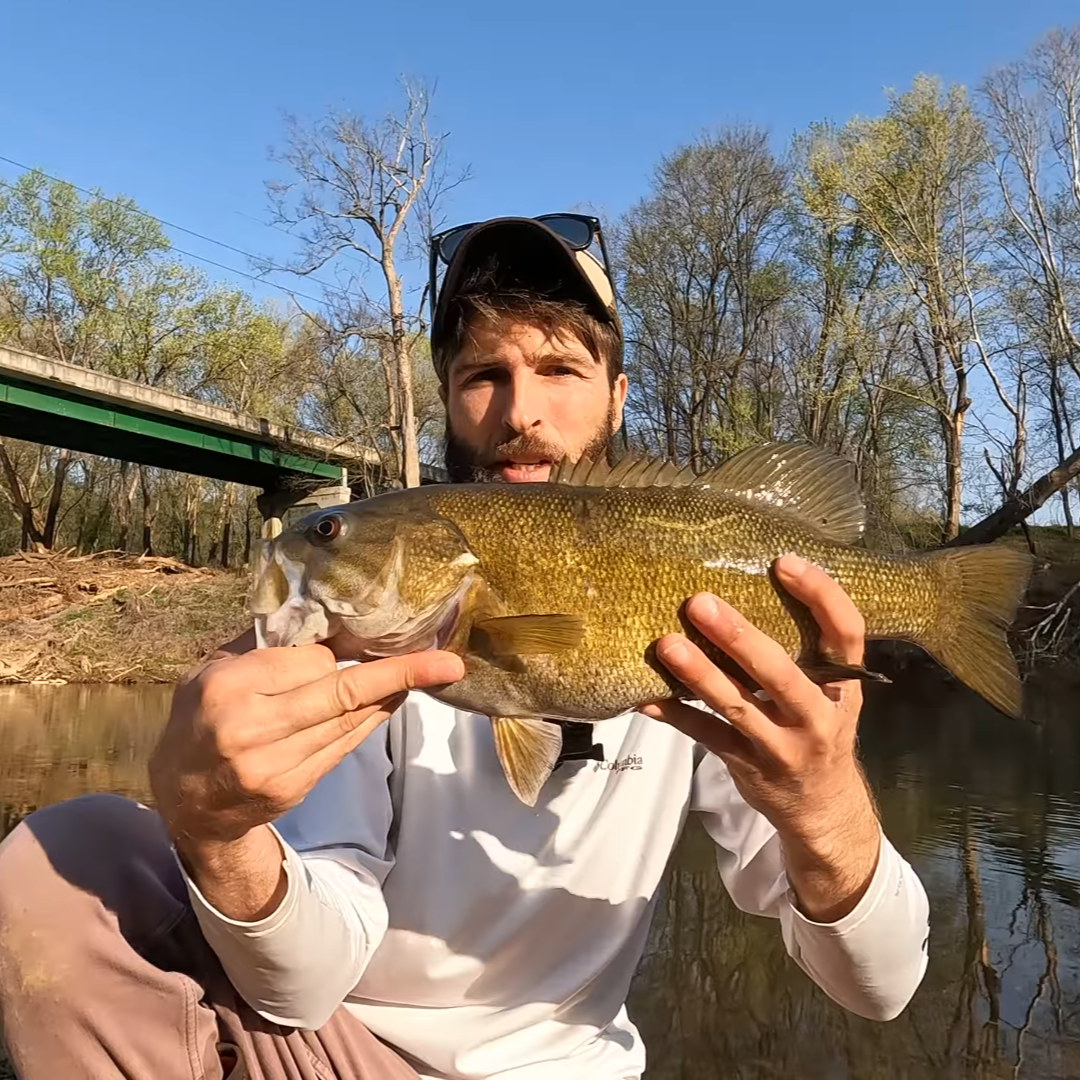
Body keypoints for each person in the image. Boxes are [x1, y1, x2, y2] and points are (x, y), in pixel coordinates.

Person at [0, 214, 930, 1080]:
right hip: (348, 1054)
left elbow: (877, 987)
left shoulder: (722, 646)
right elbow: (301, 985)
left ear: (617, 395)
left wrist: (829, 809)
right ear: (446, 399)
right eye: (483, 375)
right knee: (61, 859)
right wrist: (220, 838)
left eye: (560, 370)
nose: (520, 412)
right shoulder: (352, 656)